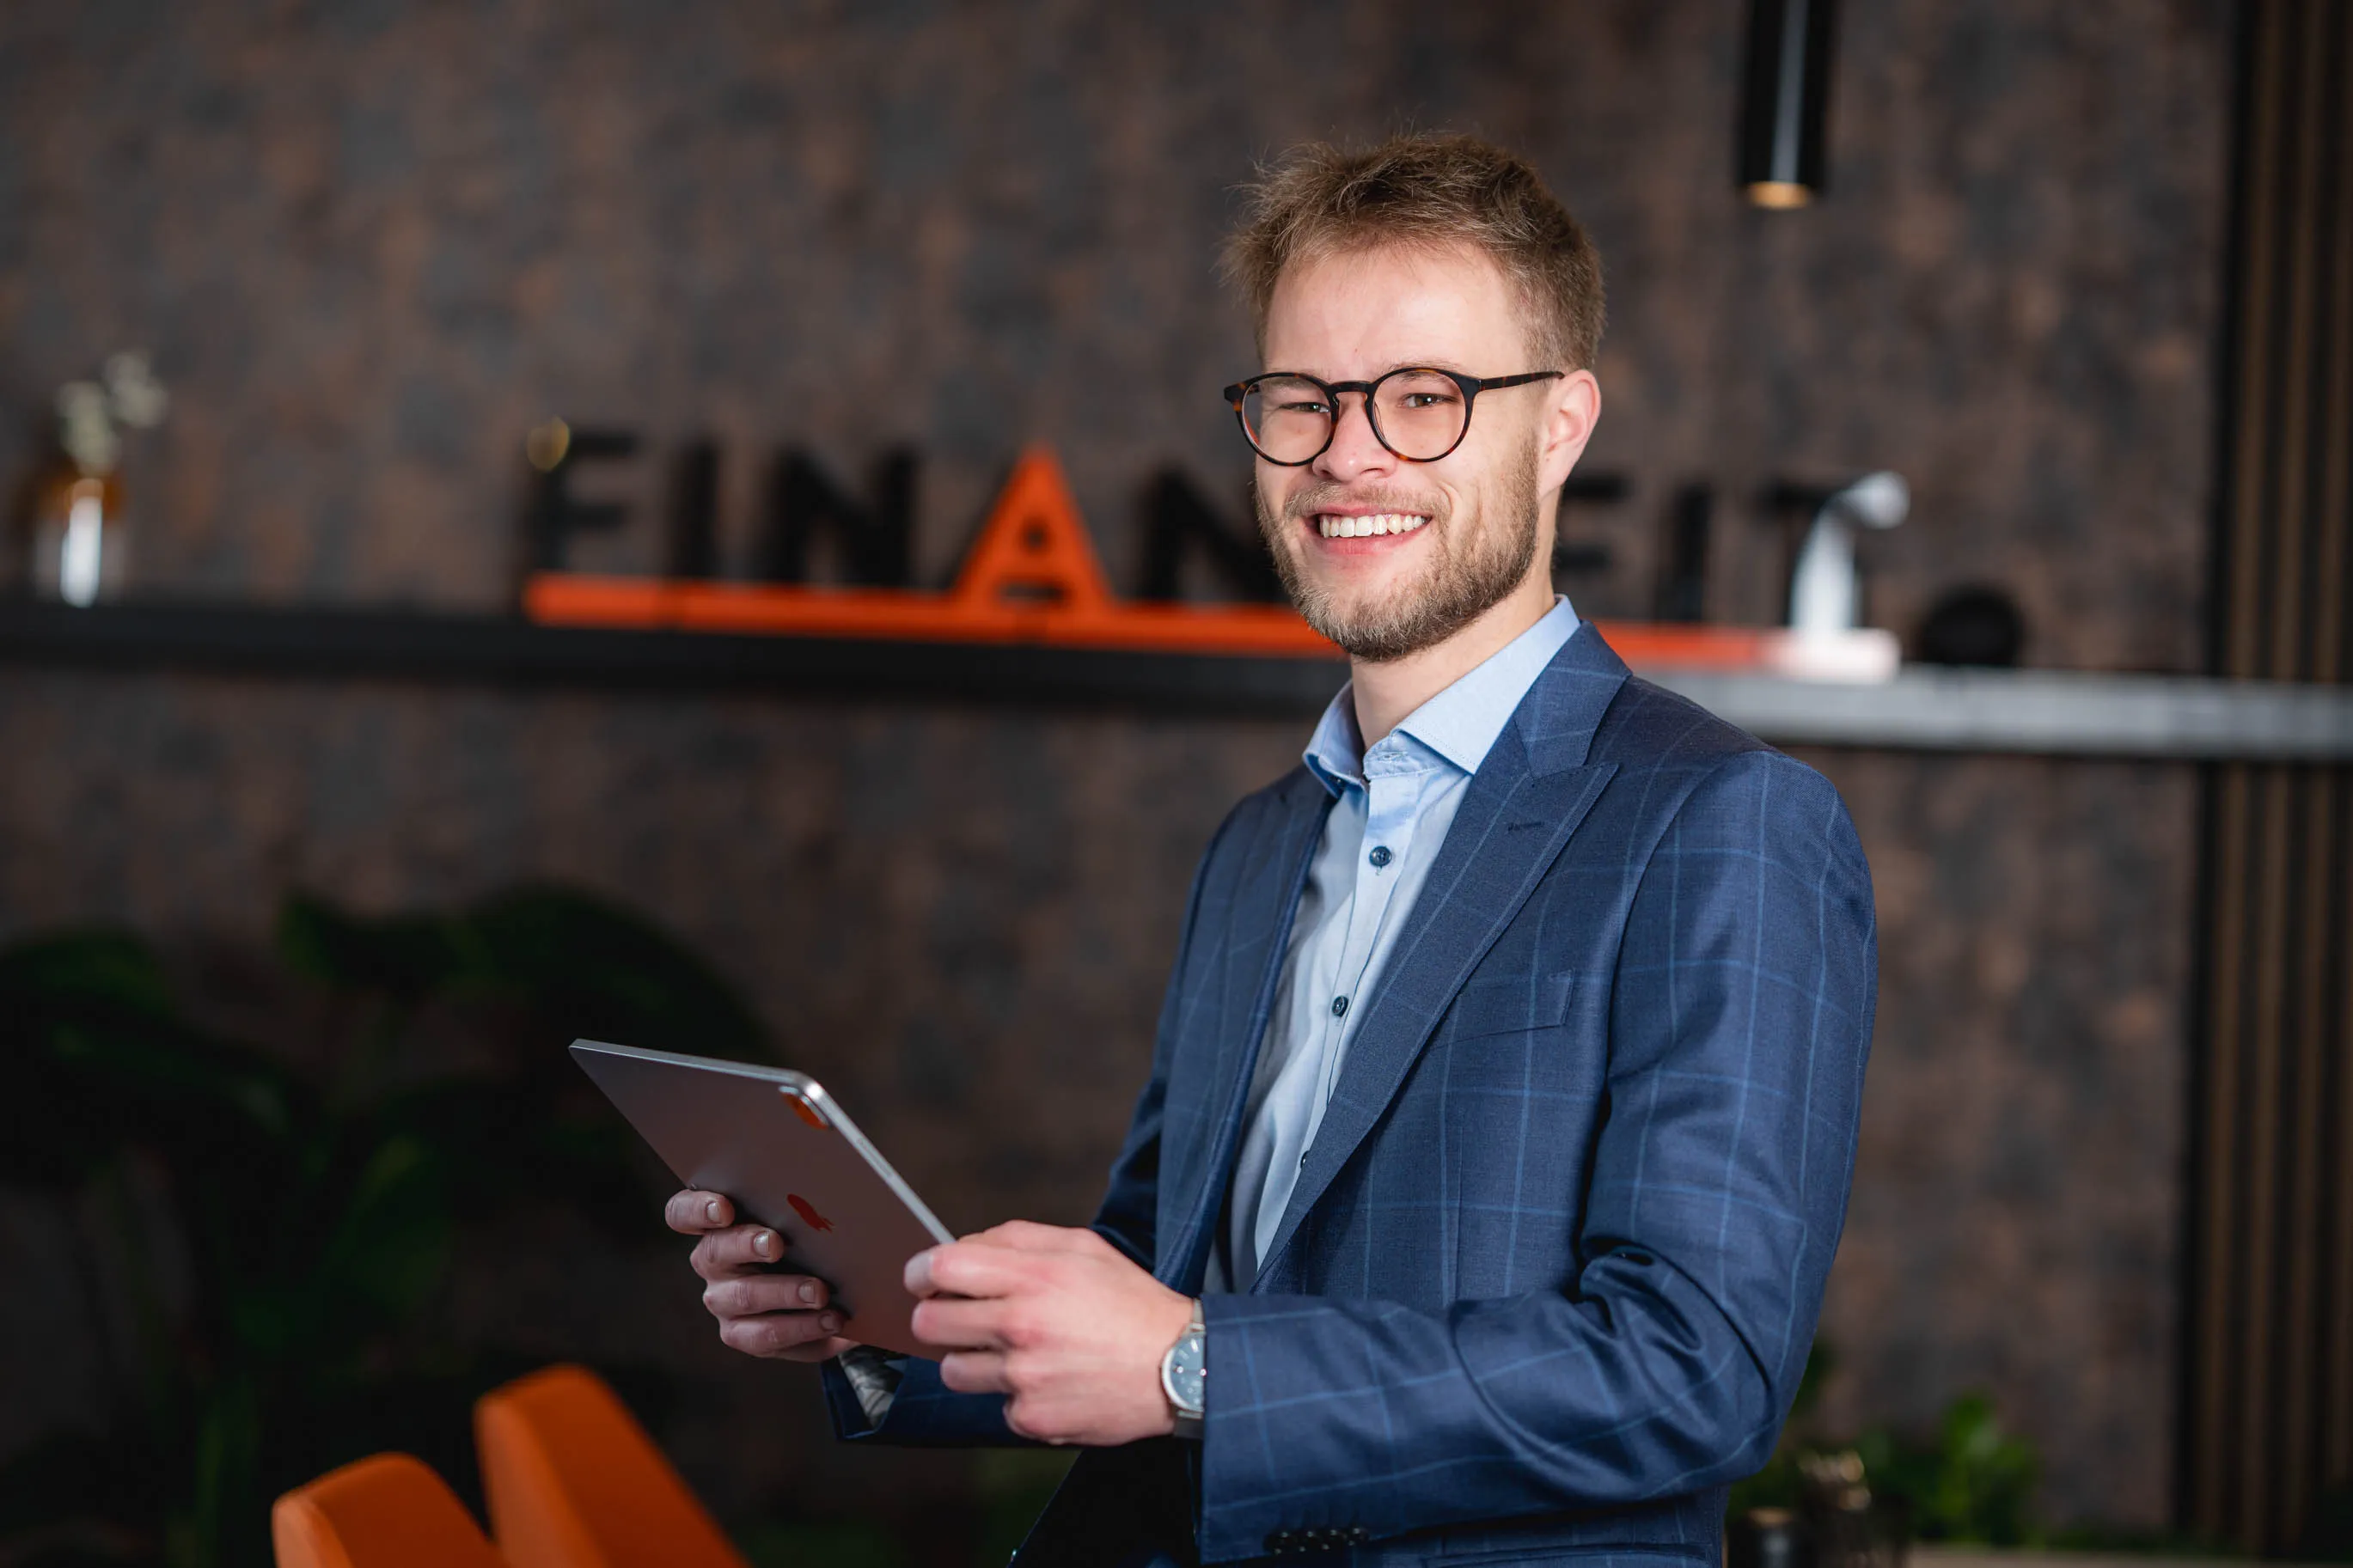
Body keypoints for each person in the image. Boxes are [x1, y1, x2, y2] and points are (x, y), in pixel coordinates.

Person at [666, 132, 1877, 1566]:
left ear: (1560, 424)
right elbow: (1162, 1291)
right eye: (1300, 397)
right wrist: (871, 1321)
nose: (1347, 452)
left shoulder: (1722, 823)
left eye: (1422, 396)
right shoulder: (1258, 846)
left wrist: (1196, 1369)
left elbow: (1693, 1375)